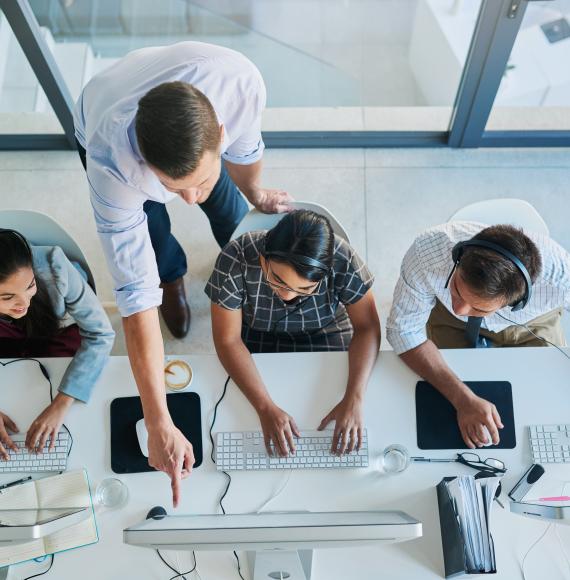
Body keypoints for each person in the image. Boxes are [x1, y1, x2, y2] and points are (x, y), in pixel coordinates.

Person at [74, 42, 292, 505]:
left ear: (220, 130)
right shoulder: (112, 165)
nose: (189, 199)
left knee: (230, 210)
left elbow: (247, 147)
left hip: (195, 106)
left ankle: (233, 249)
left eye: (198, 182)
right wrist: (159, 421)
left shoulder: (239, 82)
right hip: (100, 108)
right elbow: (135, 298)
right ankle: (174, 276)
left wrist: (253, 191)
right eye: (176, 188)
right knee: (153, 235)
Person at [206, 210, 381, 456]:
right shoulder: (235, 258)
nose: (287, 295)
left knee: (326, 401)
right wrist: (265, 407)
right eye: (277, 280)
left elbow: (367, 327)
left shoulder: (343, 258)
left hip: (326, 330)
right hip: (258, 333)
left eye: (305, 288)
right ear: (264, 258)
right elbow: (227, 339)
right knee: (242, 413)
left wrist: (355, 397)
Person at [386, 221, 570, 449]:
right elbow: (403, 331)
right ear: (458, 259)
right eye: (456, 288)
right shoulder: (427, 252)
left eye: (479, 307)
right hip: (447, 321)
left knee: (543, 402)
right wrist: (463, 399)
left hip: (531, 322)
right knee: (443, 392)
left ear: (515, 302)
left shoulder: (561, 276)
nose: (460, 309)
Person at [0, 229, 115, 460]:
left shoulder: (55, 266)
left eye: (30, 285)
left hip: (55, 330)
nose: (24, 303)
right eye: (7, 297)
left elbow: (100, 333)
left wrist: (62, 402)